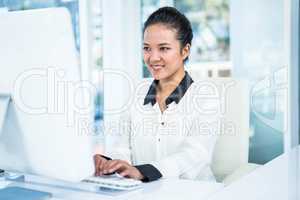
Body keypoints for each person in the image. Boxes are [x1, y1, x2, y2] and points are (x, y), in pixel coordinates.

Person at [93, 6, 218, 182]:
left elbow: (194, 155)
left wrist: (144, 172)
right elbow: (122, 146)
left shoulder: (206, 98)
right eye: (147, 48)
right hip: (144, 192)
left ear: (185, 51)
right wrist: (112, 164)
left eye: (164, 48)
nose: (152, 58)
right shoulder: (138, 93)